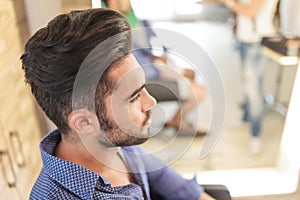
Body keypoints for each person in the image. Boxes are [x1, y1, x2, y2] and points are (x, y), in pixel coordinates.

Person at [21, 8, 216, 199]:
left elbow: (162, 176)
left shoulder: (112, 142)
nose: (151, 101)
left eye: (143, 87)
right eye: (133, 97)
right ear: (84, 122)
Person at [103, 0, 207, 137]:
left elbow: (153, 42)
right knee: (198, 91)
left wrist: (159, 55)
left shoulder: (137, 21)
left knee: (192, 77)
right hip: (147, 71)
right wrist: (155, 58)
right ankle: (179, 120)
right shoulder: (112, 28)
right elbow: (136, 56)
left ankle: (178, 120)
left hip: (153, 66)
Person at [199, 0, 279, 154]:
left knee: (253, 90)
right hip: (245, 39)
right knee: (248, 85)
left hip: (256, 42)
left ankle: (255, 135)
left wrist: (228, 3)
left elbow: (250, 12)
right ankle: (247, 119)